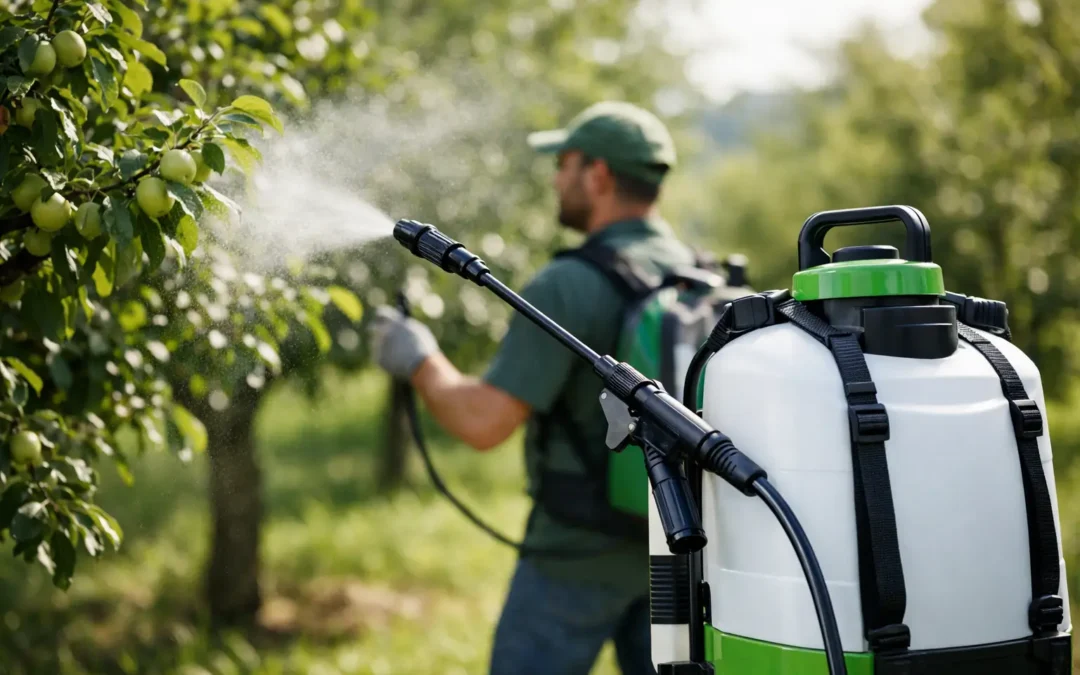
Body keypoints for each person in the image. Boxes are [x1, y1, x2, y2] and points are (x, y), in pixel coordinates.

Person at [368, 101, 698, 675]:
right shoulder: (698, 272)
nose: (555, 178)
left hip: (575, 551)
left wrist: (418, 358)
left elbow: (483, 422)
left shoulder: (568, 284)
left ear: (597, 175)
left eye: (564, 164)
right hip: (677, 545)